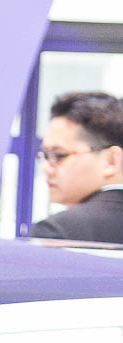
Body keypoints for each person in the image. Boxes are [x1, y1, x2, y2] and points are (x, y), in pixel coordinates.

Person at [29, 91, 123, 242]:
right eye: (46, 155)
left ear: (112, 161)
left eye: (59, 155)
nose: (45, 167)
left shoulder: (58, 231)